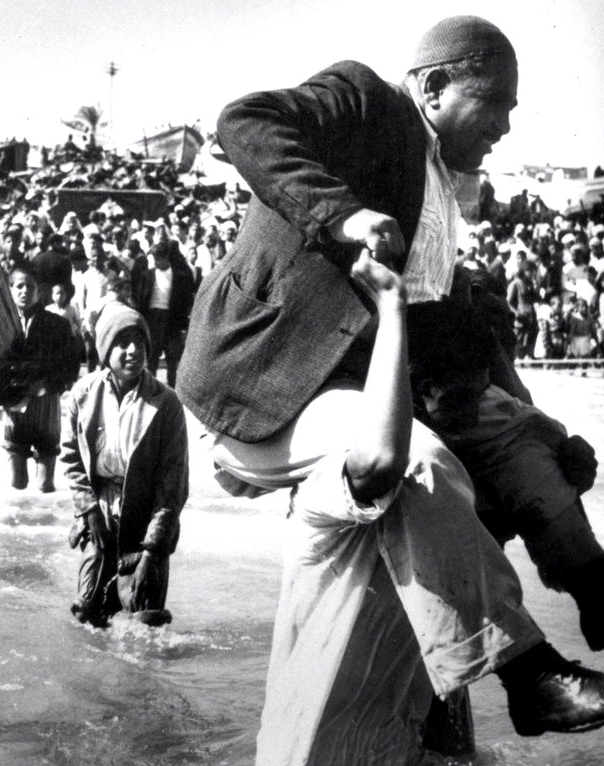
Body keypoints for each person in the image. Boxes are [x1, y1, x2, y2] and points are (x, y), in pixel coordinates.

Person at [175, 14, 604, 759]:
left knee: (526, 439)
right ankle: (529, 671)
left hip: (358, 388)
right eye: (496, 102)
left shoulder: (447, 187)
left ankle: (599, 597)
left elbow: (449, 339)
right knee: (417, 461)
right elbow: (245, 121)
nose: (507, 123)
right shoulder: (367, 100)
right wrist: (342, 216)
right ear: (434, 89)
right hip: (269, 387)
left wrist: (540, 436)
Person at [408, 299, 604, 650]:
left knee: (527, 448)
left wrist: (564, 458)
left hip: (491, 464)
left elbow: (526, 421)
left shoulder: (496, 401)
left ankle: (590, 584)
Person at [63, 306, 188, 628]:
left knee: (143, 625)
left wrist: (151, 553)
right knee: (88, 616)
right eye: (122, 343)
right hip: (99, 514)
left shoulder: (167, 403)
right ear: (105, 350)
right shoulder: (83, 394)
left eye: (139, 343)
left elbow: (173, 487)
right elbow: (71, 459)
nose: (133, 351)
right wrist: (89, 511)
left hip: (147, 519)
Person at [0, 263, 80, 492]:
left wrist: (48, 385)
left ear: (39, 291)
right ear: (10, 290)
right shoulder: (0, 325)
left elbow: (70, 366)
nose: (25, 291)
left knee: (45, 484)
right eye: (19, 286)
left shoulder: (57, 324)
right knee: (17, 482)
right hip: (13, 403)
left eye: (30, 286)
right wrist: (9, 389)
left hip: (46, 405)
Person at [132, 241, 194, 386]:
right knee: (152, 357)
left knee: (172, 358)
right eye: (154, 259)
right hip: (152, 319)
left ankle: (172, 390)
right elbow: (140, 301)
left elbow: (184, 304)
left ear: (166, 257)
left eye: (158, 259)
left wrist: (183, 326)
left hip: (171, 321)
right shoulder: (147, 276)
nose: (156, 262)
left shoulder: (179, 277)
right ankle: (149, 388)